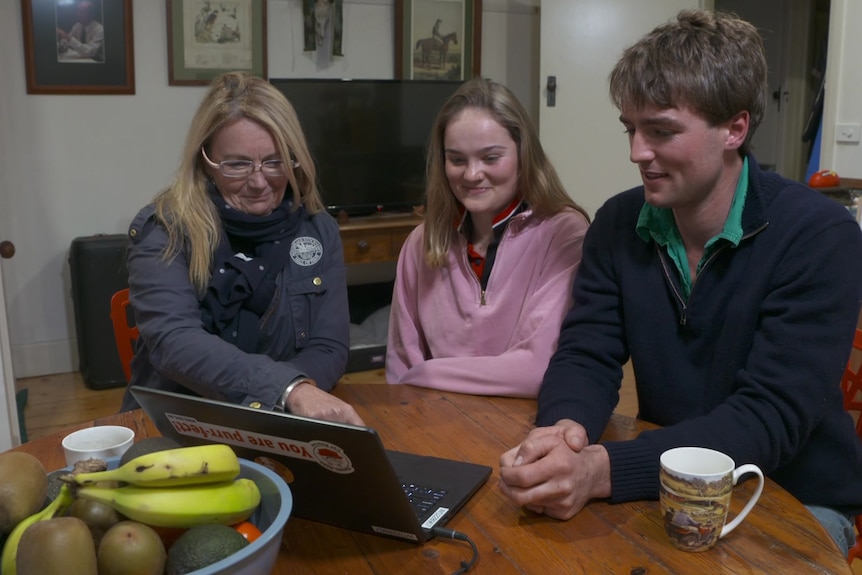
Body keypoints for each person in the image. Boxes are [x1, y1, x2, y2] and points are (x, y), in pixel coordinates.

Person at [499, 9, 862, 556]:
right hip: (663, 482)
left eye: (662, 131)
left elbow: (770, 417)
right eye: (631, 129)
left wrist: (601, 471)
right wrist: (562, 433)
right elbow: (587, 352)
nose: (636, 152)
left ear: (735, 129)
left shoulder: (820, 235)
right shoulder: (619, 224)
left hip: (793, 497)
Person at [119, 71, 363, 427]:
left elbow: (329, 347)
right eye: (237, 164)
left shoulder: (318, 228)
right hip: (174, 424)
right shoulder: (166, 229)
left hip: (281, 423)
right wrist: (286, 390)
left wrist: (278, 406)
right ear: (206, 161)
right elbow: (173, 341)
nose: (259, 181)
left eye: (275, 161)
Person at [386, 77, 590, 396]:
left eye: (491, 158)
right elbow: (400, 366)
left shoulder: (565, 233)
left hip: (527, 428)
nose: (471, 174)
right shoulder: (420, 243)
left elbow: (537, 370)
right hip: (436, 421)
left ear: (525, 154)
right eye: (456, 159)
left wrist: (424, 372)